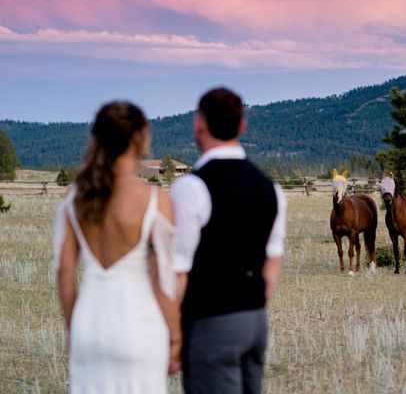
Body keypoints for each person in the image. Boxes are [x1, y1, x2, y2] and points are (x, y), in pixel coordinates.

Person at [53, 101, 181, 393]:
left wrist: (74, 326)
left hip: (88, 323)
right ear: (139, 138)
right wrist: (175, 336)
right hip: (139, 326)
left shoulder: (75, 198)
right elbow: (164, 281)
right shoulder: (154, 201)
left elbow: (64, 272)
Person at [172, 87, 287, 394]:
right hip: (255, 322)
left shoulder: (191, 187)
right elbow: (273, 259)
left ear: (198, 124)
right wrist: (254, 303)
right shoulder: (270, 188)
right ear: (242, 126)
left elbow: (179, 269)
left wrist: (174, 335)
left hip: (211, 322)